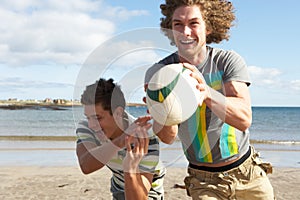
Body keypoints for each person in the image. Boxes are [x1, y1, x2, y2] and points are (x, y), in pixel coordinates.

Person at [144, 0, 275, 199]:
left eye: (193, 23)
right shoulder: (159, 74)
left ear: (209, 27)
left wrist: (206, 92)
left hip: (247, 173)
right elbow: (168, 137)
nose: (185, 32)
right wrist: (160, 110)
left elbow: (244, 119)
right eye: (177, 24)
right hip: (203, 181)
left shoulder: (227, 61)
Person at [76, 78, 165, 200]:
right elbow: (86, 166)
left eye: (97, 118)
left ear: (118, 113)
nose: (92, 125)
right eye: (88, 117)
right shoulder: (87, 126)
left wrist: (130, 168)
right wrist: (121, 141)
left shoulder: (145, 136)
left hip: (148, 190)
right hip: (118, 186)